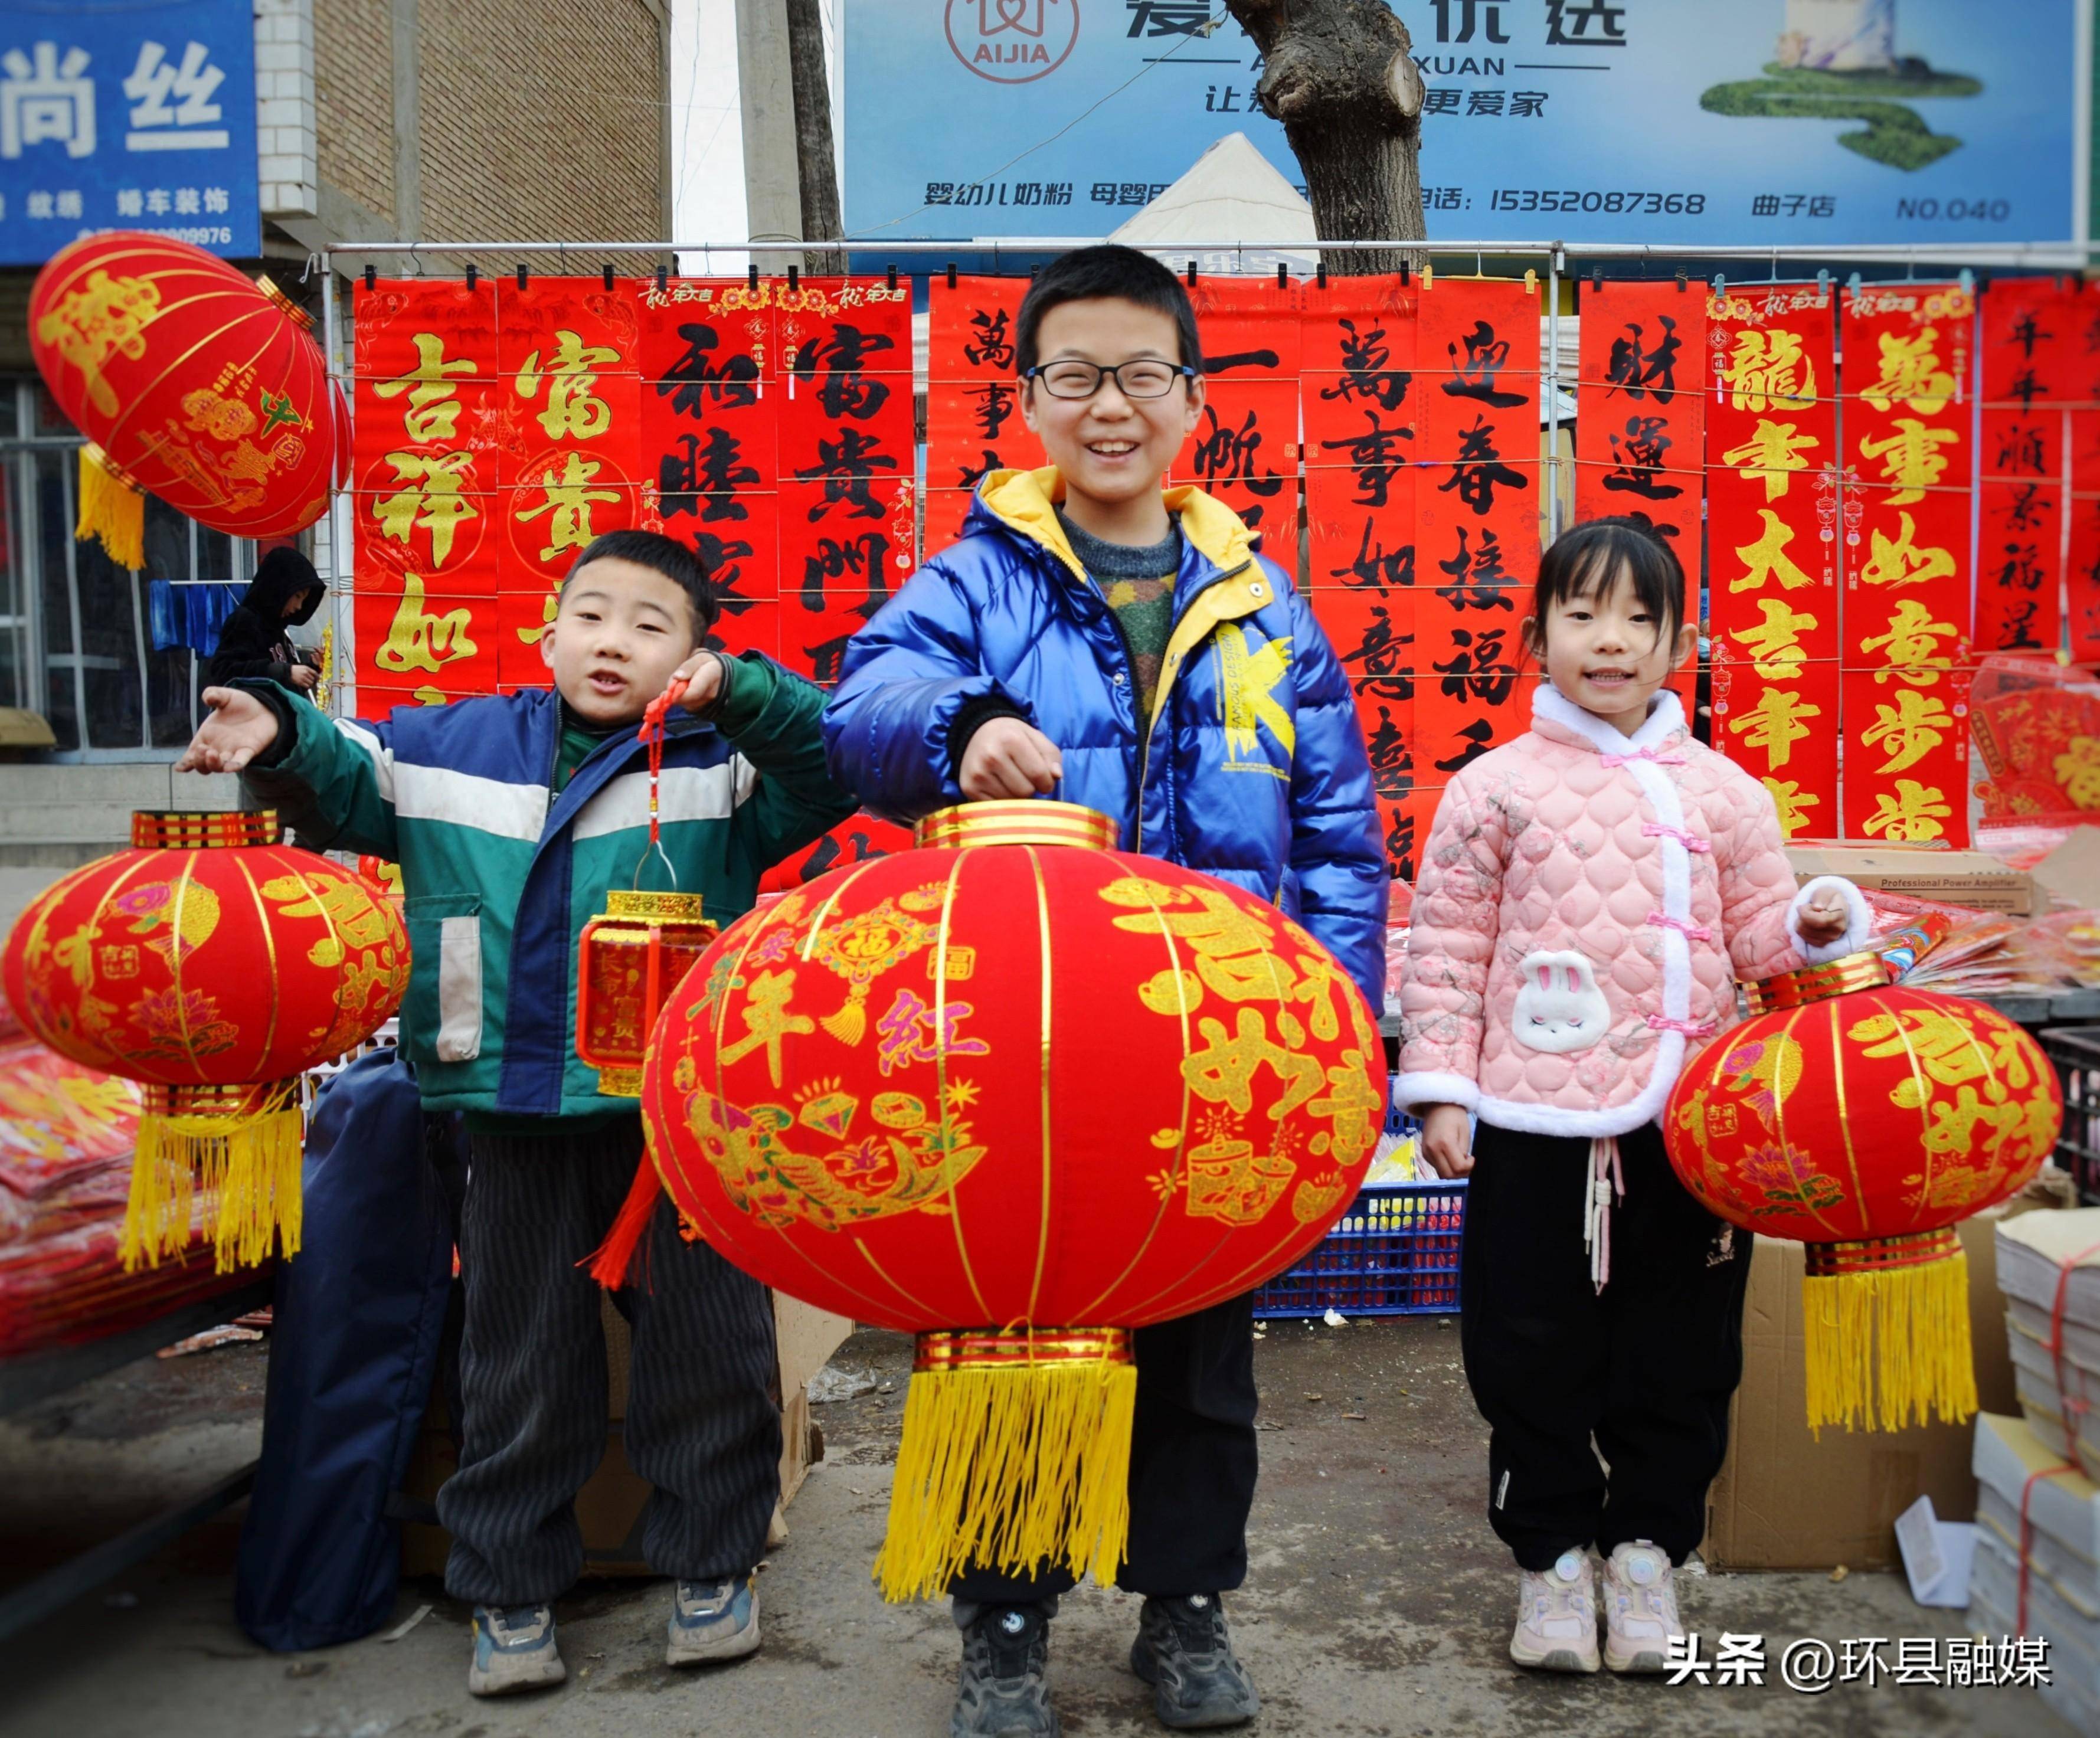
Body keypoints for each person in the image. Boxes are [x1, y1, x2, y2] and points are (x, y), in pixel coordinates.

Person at [824, 244, 1386, 1738]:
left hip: (1211, 1055)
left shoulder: (1266, 609)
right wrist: (962, 720)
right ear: (1028, 399)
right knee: (1009, 1337)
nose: (1111, 405)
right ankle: (1002, 1627)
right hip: (1018, 1047)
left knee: (1200, 1353)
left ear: (1195, 398)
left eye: (1143, 373)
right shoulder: (978, 579)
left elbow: (1335, 835)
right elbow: (862, 700)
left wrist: (1334, 1038)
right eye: (1075, 375)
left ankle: (1183, 1610)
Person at [177, 529, 858, 1699]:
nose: (615, 641)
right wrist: (273, 727)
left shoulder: (720, 765)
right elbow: (340, 770)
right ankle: (508, 1583)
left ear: (691, 659)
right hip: (504, 1105)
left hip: (670, 1126)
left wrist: (743, 691)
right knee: (518, 1359)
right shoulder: (450, 746)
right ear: (548, 633)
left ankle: (713, 1560)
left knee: (710, 1347)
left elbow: (829, 763)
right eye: (592, 613)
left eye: (654, 626)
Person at [1394, 518, 1870, 1678]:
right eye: (1583, 613)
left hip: (1687, 1123)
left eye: (1640, 618)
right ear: (1537, 635)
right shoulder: (1491, 789)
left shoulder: (1724, 792)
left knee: (1681, 1342)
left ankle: (1650, 1548)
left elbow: (1758, 936)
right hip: (1531, 1114)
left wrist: (1814, 919)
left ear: (1681, 642)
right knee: (1530, 1337)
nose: (1611, 640)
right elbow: (1447, 946)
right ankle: (1553, 1557)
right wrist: (1443, 1092)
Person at [208, 545, 326, 691]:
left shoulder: (278, 632)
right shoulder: (245, 621)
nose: (299, 607)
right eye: (297, 597)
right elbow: (224, 671)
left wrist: (311, 669)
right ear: (279, 587)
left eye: (303, 600)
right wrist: (286, 672)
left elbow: (287, 692)